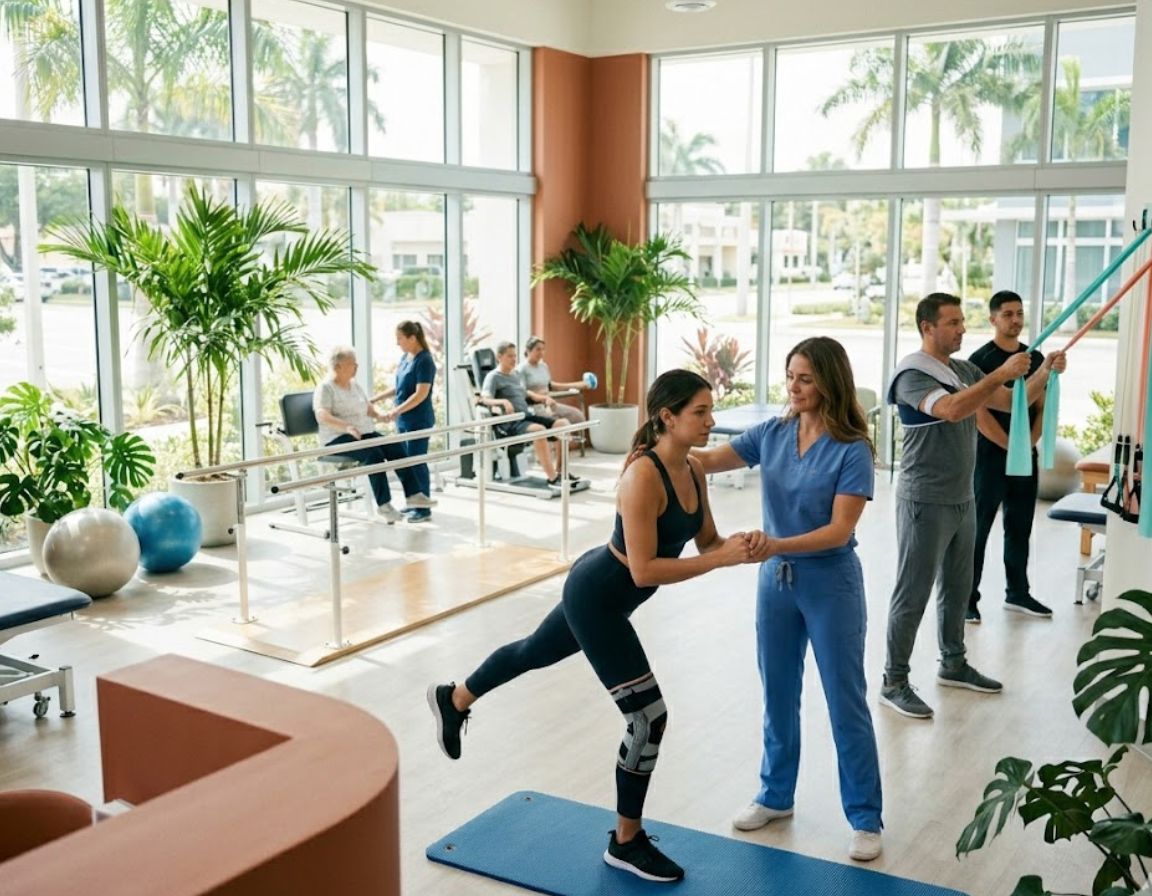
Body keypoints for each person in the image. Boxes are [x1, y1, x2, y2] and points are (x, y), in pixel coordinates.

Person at [427, 369, 762, 883]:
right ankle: (625, 843)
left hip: (608, 595)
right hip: (597, 597)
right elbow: (645, 569)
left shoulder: (693, 469)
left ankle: (454, 698)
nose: (710, 421)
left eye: (709, 411)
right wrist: (717, 563)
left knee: (531, 652)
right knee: (648, 719)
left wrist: (740, 547)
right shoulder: (642, 476)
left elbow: (708, 541)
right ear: (667, 417)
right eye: (700, 412)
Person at [691, 337, 884, 863]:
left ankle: (865, 818)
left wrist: (773, 544)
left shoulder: (852, 449)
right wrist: (661, 446)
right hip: (775, 585)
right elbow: (707, 462)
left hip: (831, 585)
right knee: (778, 695)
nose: (793, 388)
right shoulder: (774, 434)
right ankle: (775, 796)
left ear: (829, 381)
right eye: (789, 376)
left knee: (846, 702)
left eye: (804, 378)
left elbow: (839, 530)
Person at [881, 294, 1066, 720]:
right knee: (913, 593)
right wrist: (999, 373)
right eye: (952, 322)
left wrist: (1044, 373)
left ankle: (953, 662)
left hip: (961, 497)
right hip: (923, 500)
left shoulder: (963, 370)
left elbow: (1007, 401)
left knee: (958, 587)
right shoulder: (911, 374)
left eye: (963, 321)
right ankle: (894, 681)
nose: (962, 329)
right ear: (928, 327)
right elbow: (951, 409)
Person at [967, 291, 1055, 622]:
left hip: (1024, 455)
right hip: (989, 456)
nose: (1016, 320)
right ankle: (966, 599)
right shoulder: (979, 360)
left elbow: (1041, 405)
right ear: (993, 319)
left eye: (1020, 313)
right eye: (1008, 314)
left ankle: (1017, 593)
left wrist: (1028, 443)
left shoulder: (1034, 356)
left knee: (1020, 525)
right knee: (978, 529)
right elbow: (979, 414)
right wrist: (1011, 446)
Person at [312, 346, 420, 525]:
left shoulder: (354, 385)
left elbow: (367, 407)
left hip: (362, 434)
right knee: (374, 454)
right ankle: (384, 506)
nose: (356, 367)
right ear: (337, 367)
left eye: (356, 363)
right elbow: (322, 415)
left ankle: (413, 494)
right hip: (336, 439)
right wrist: (346, 426)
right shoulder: (325, 388)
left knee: (394, 446)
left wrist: (380, 416)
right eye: (352, 364)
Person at [479, 340, 578, 486]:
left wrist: (544, 398)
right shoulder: (493, 377)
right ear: (499, 357)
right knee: (540, 430)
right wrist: (503, 402)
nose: (514, 359)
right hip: (510, 423)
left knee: (563, 424)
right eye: (510, 356)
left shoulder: (515, 375)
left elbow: (526, 394)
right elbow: (484, 399)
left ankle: (561, 472)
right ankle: (552, 479)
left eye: (515, 356)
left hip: (526, 417)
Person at [373, 321, 438, 523]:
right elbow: (398, 388)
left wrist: (395, 410)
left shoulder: (425, 361)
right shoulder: (405, 358)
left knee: (416, 461)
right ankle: (413, 502)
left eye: (400, 338)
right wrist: (375, 399)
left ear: (412, 338)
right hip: (403, 420)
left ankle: (423, 509)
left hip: (418, 419)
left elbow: (420, 394)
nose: (397, 343)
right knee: (406, 462)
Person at [517, 335, 591, 426]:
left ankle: (572, 439)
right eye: (538, 349)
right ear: (528, 351)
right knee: (560, 423)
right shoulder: (522, 368)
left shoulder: (544, 366)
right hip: (534, 407)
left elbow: (550, 385)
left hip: (550, 404)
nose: (541, 352)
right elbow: (523, 392)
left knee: (578, 416)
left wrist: (579, 385)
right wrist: (542, 398)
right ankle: (561, 439)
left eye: (543, 349)